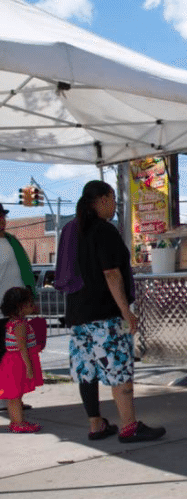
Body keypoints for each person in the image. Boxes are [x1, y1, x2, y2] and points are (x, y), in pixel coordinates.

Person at [65, 180, 166, 443]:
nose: (114, 206)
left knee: (87, 370)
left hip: (78, 314)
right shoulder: (103, 231)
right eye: (112, 199)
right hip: (105, 314)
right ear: (101, 199)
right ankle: (129, 426)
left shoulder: (73, 231)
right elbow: (111, 273)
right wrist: (126, 311)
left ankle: (96, 424)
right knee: (119, 368)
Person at [0, 287, 44, 433]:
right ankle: (19, 423)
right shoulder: (20, 325)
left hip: (11, 361)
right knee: (16, 395)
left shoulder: (14, 321)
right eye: (30, 303)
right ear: (20, 306)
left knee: (13, 396)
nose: (33, 306)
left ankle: (15, 422)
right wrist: (29, 367)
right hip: (18, 362)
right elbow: (23, 347)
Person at [0, 203, 36, 364]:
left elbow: (26, 272)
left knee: (16, 361)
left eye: (3, 216)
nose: (2, 220)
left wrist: (30, 298)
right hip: (1, 313)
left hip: (15, 313)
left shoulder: (11, 241)